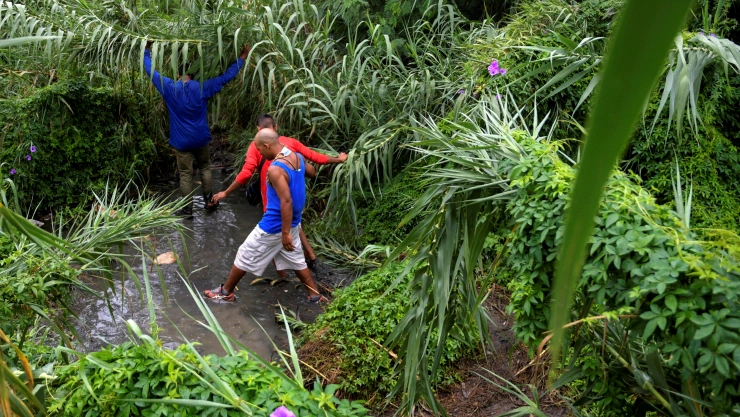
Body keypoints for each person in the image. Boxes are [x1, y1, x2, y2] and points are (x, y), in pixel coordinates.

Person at [212, 114, 347, 271]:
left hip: (271, 197)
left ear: (258, 130)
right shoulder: (291, 143)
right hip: (294, 194)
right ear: (275, 128)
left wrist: (226, 192)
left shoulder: (256, 146)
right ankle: (309, 257)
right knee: (292, 223)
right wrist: (338, 159)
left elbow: (246, 173)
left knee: (275, 230)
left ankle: (282, 274)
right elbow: (313, 157)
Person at [205, 128, 325, 303]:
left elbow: (286, 202)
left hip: (274, 225)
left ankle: (225, 293)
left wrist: (283, 234)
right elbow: (312, 172)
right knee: (297, 260)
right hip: (293, 223)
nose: (259, 153)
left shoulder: (275, 169)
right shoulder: (295, 156)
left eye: (259, 150)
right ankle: (315, 296)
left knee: (244, 253)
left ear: (267, 145)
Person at [144, 41, 250, 217]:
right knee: (205, 167)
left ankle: (187, 210)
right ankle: (209, 202)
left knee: (185, 174)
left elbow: (150, 71)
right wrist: (242, 58)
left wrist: (146, 50)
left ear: (178, 74)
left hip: (181, 141)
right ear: (192, 74)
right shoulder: (202, 87)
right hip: (201, 138)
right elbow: (225, 78)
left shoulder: (169, 87)